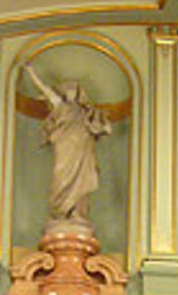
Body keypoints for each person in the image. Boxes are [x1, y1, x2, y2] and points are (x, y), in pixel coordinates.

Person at [25, 68, 112, 223]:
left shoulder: (87, 111)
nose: (72, 92)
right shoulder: (61, 107)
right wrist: (32, 72)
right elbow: (46, 90)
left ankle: (78, 214)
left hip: (83, 149)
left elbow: (104, 128)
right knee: (61, 176)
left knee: (82, 180)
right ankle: (60, 214)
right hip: (65, 147)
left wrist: (100, 121)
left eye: (75, 89)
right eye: (69, 89)